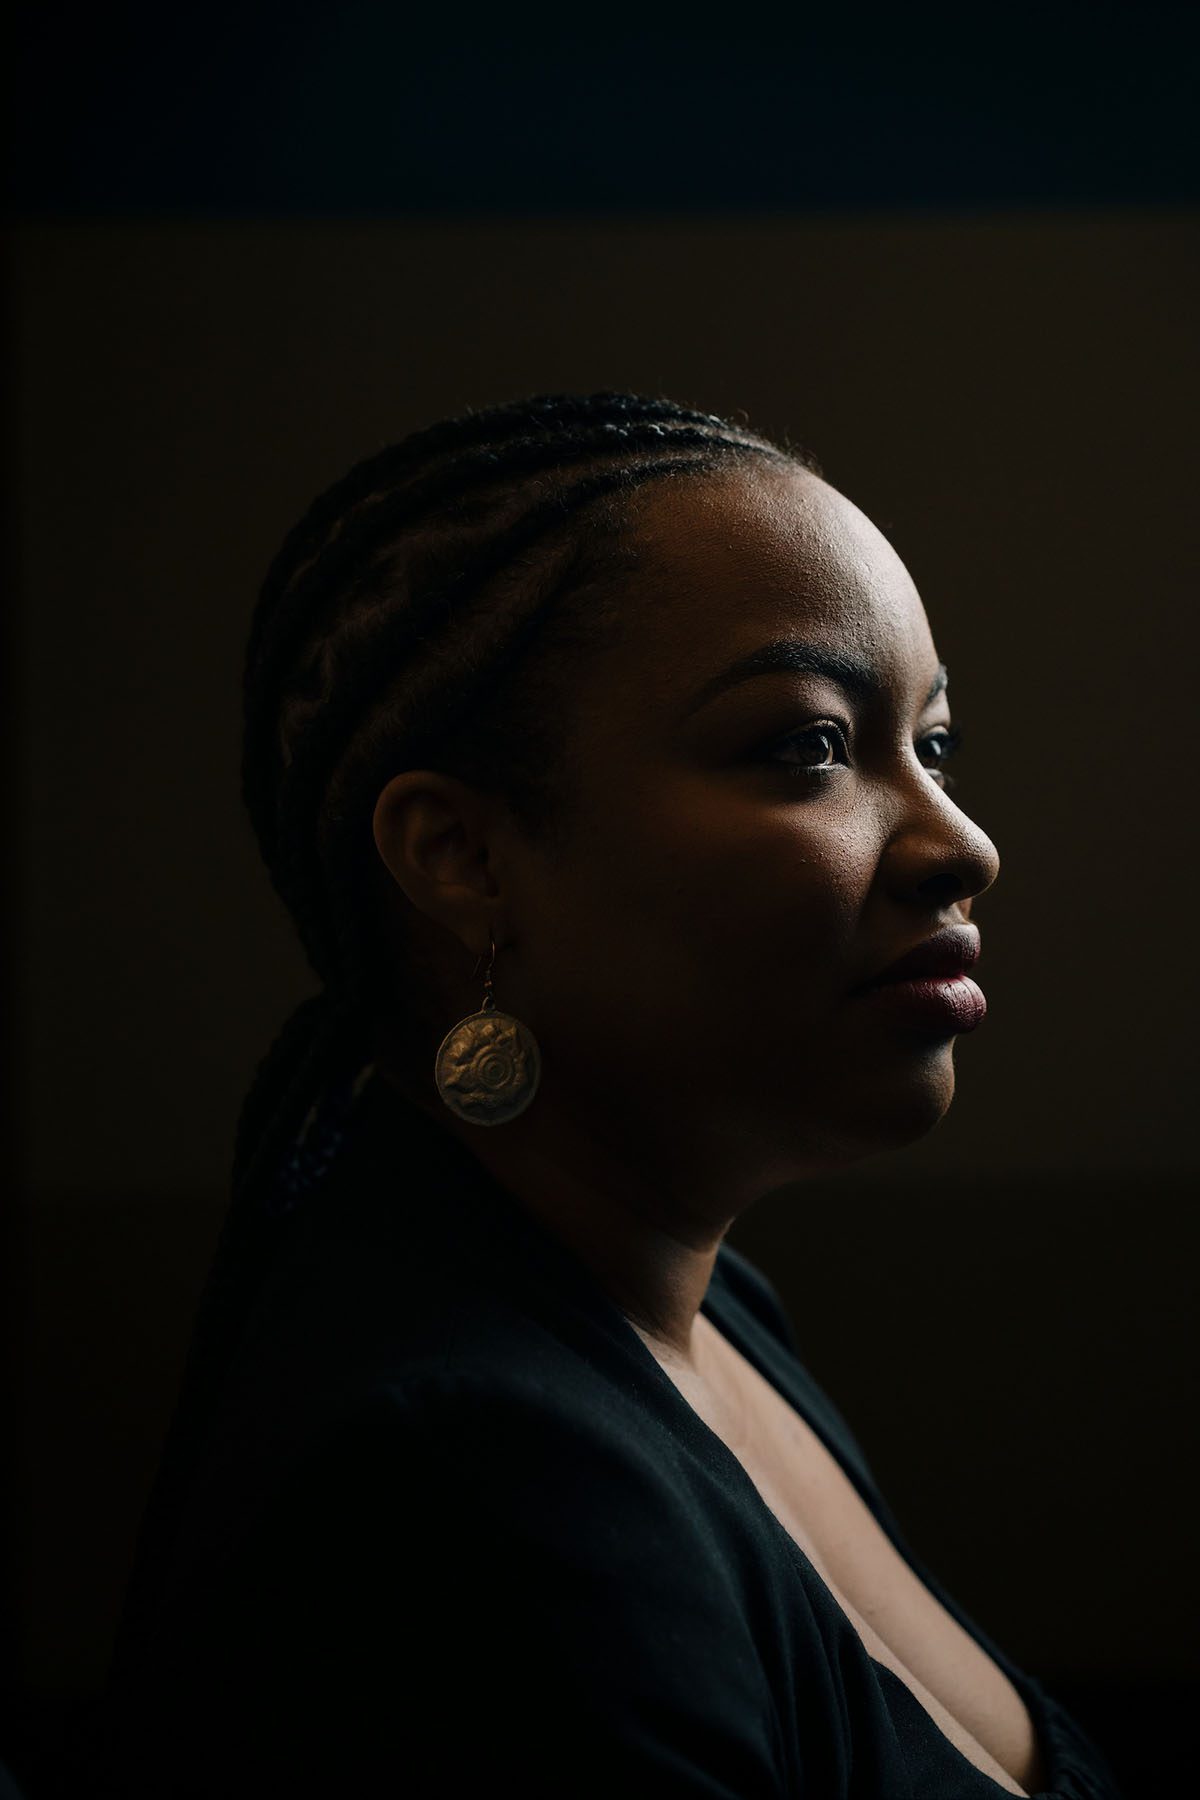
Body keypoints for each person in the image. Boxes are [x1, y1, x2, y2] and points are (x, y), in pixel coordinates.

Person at [89, 391, 1126, 1797]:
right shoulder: (482, 1494)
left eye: (930, 746)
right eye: (810, 745)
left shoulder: (696, 1304)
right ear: (461, 855)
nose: (963, 846)